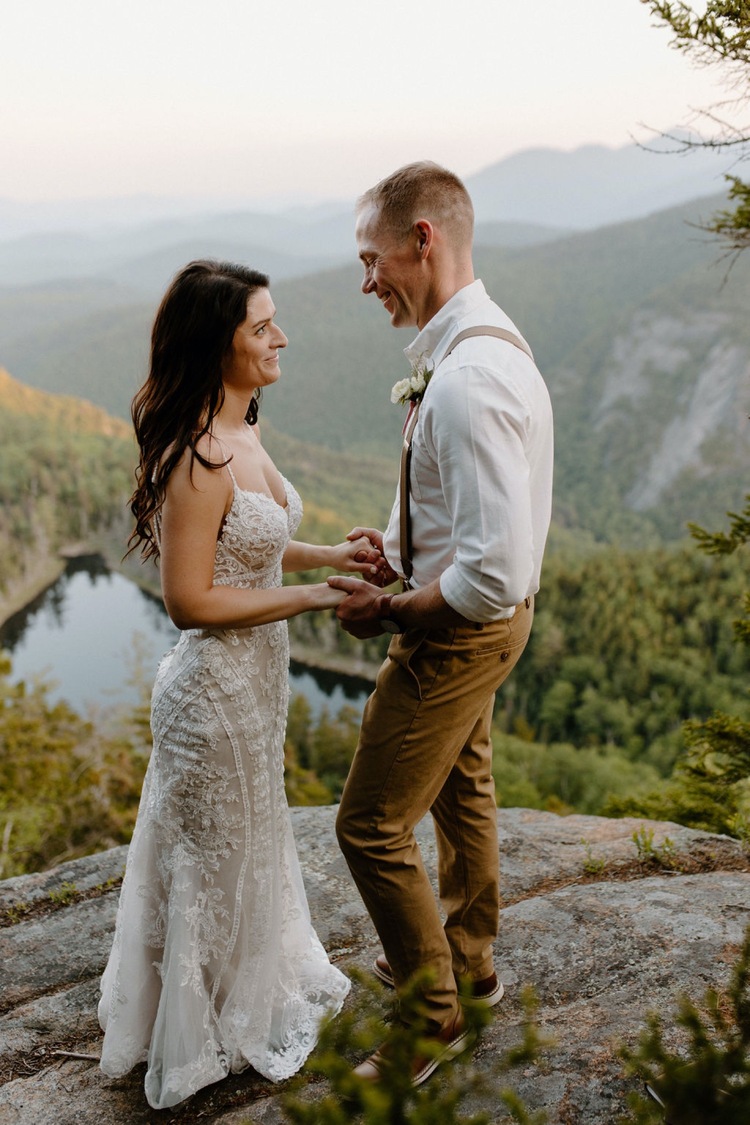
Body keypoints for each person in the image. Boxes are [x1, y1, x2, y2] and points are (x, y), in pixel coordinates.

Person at [98, 259, 381, 1110]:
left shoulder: (246, 430)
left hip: (257, 687)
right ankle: (196, 1029)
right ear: (217, 342)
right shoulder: (197, 454)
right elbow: (188, 599)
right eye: (262, 326)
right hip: (212, 696)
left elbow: (249, 541)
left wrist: (329, 553)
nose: (280, 337)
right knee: (214, 859)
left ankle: (240, 993)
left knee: (247, 843)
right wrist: (314, 597)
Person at [328, 162, 554, 1086]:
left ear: (423, 240)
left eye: (371, 258)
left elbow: (491, 569)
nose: (366, 279)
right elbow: (467, 519)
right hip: (484, 619)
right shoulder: (477, 352)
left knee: (369, 824)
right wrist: (393, 547)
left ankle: (431, 1021)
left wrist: (389, 610)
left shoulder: (467, 381)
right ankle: (471, 962)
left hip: (461, 630)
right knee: (464, 788)